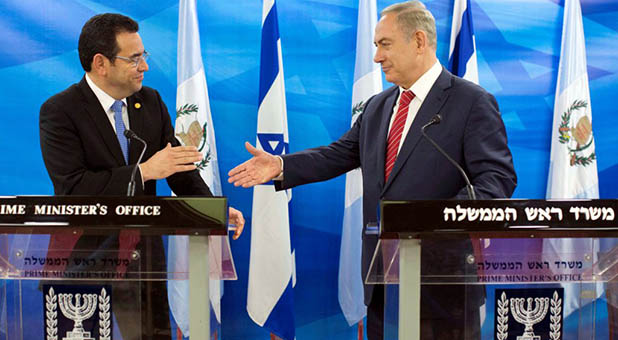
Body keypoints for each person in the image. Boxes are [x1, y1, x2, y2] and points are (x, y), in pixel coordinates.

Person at [228, 1, 516, 339]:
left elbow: (497, 180)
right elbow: (340, 153)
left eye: (385, 44)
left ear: (419, 41)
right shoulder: (380, 105)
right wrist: (280, 165)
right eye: (376, 46)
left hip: (443, 285)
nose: (377, 57)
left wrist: (440, 222)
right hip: (384, 280)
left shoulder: (471, 102)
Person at [39, 13, 244, 340]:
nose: (144, 67)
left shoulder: (149, 103)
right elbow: (73, 188)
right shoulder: (60, 111)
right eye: (134, 59)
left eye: (143, 56)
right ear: (100, 63)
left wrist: (212, 210)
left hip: (141, 262)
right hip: (83, 261)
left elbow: (178, 169)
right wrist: (144, 172)